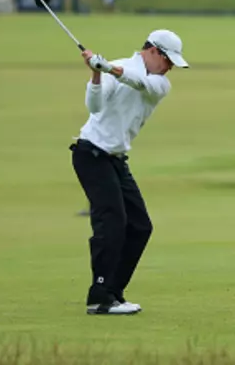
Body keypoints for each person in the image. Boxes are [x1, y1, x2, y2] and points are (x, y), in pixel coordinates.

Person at [70, 29, 189, 315]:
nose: (170, 67)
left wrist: (109, 68)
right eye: (168, 60)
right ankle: (99, 296)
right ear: (152, 51)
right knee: (111, 222)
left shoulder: (159, 84)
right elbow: (94, 107)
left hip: (116, 159)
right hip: (91, 154)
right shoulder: (116, 67)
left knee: (140, 226)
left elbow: (138, 83)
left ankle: (113, 292)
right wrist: (97, 76)